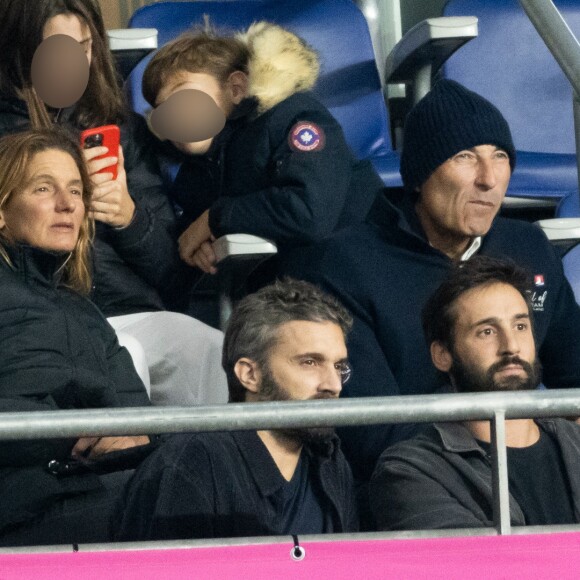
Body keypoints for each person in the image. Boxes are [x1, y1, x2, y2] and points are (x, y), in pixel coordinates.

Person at [289, 79, 580, 481]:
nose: (489, 179)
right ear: (420, 177)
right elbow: (373, 430)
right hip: (417, 478)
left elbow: (575, 375)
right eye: (465, 156)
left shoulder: (528, 247)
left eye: (500, 156)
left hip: (531, 465)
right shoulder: (346, 264)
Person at [0, 0, 228, 406]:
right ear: (21, 49)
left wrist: (128, 216)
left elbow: (173, 273)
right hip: (43, 316)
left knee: (211, 349)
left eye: (86, 46)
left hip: (131, 308)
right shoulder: (7, 140)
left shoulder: (118, 129)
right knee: (125, 359)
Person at [113, 279, 358, 541]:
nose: (333, 385)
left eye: (338, 367)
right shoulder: (191, 464)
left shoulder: (329, 457)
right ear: (250, 374)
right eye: (310, 362)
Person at [0, 128, 153, 547]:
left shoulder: (83, 309)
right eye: (43, 188)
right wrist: (71, 435)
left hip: (97, 486)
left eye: (75, 190)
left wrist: (135, 438)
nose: (67, 204)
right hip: (24, 503)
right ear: (2, 208)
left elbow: (138, 411)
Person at [141, 21, 384, 277]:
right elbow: (195, 223)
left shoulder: (292, 117)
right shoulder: (198, 171)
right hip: (293, 289)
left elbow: (308, 211)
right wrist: (198, 238)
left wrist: (216, 218)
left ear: (236, 89)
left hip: (363, 268)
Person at [370, 256, 580, 530]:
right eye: (487, 331)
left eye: (520, 326)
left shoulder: (573, 440)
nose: (511, 346)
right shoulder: (411, 469)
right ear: (443, 355)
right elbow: (480, 569)